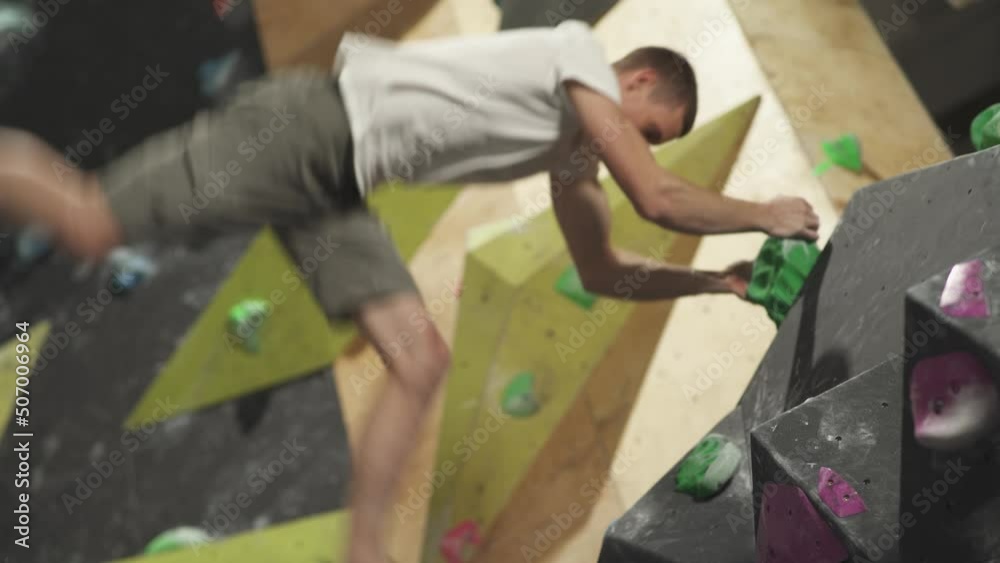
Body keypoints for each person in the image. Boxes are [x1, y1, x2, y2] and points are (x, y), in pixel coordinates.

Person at [0, 20, 819, 563]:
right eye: (648, 131)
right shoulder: (574, 53)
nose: (635, 147)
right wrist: (763, 212)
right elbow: (657, 197)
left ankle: (363, 552)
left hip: (337, 189)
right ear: (635, 80)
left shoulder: (570, 156)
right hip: (306, 130)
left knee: (419, 359)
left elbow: (604, 270)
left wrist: (717, 280)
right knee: (88, 221)